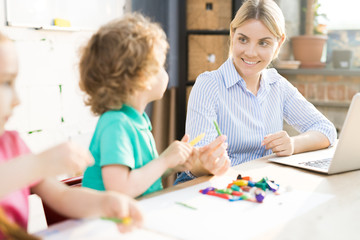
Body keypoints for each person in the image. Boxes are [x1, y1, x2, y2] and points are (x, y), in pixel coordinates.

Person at [0, 32, 143, 239]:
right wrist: (38, 164)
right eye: (5, 83)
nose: (17, 100)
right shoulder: (28, 162)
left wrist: (105, 203)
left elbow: (62, 195)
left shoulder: (13, 145)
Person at [178, 0, 337, 182]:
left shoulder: (278, 85)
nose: (251, 52)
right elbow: (196, 165)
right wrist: (208, 161)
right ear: (232, 34)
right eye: (243, 39)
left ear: (278, 44)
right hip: (214, 185)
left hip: (258, 185)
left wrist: (292, 144)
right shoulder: (209, 85)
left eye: (263, 43)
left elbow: (326, 129)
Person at [79, 13, 230, 198]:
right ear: (141, 78)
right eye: (160, 66)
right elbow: (121, 189)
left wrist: (175, 163)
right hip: (108, 223)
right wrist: (165, 161)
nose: (165, 72)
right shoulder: (115, 124)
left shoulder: (137, 119)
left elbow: (141, 175)